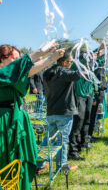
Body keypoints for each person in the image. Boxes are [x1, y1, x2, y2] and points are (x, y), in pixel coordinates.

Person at [0, 44, 64, 189]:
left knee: (20, 159)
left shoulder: (14, 75)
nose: (18, 62)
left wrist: (51, 58)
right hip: (3, 122)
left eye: (18, 58)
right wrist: (39, 51)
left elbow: (29, 69)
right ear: (2, 59)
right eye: (14, 59)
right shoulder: (3, 74)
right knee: (5, 159)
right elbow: (18, 69)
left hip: (19, 120)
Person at [43, 52, 81, 169]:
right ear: (64, 62)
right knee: (63, 140)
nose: (71, 64)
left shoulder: (47, 72)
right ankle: (61, 165)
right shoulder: (63, 71)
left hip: (51, 111)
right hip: (64, 112)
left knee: (48, 140)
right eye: (70, 62)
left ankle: (39, 163)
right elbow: (78, 75)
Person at [68, 51, 94, 159]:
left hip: (87, 97)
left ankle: (80, 145)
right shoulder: (75, 65)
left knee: (84, 121)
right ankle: (73, 151)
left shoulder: (88, 67)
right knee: (77, 123)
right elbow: (79, 62)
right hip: (78, 97)